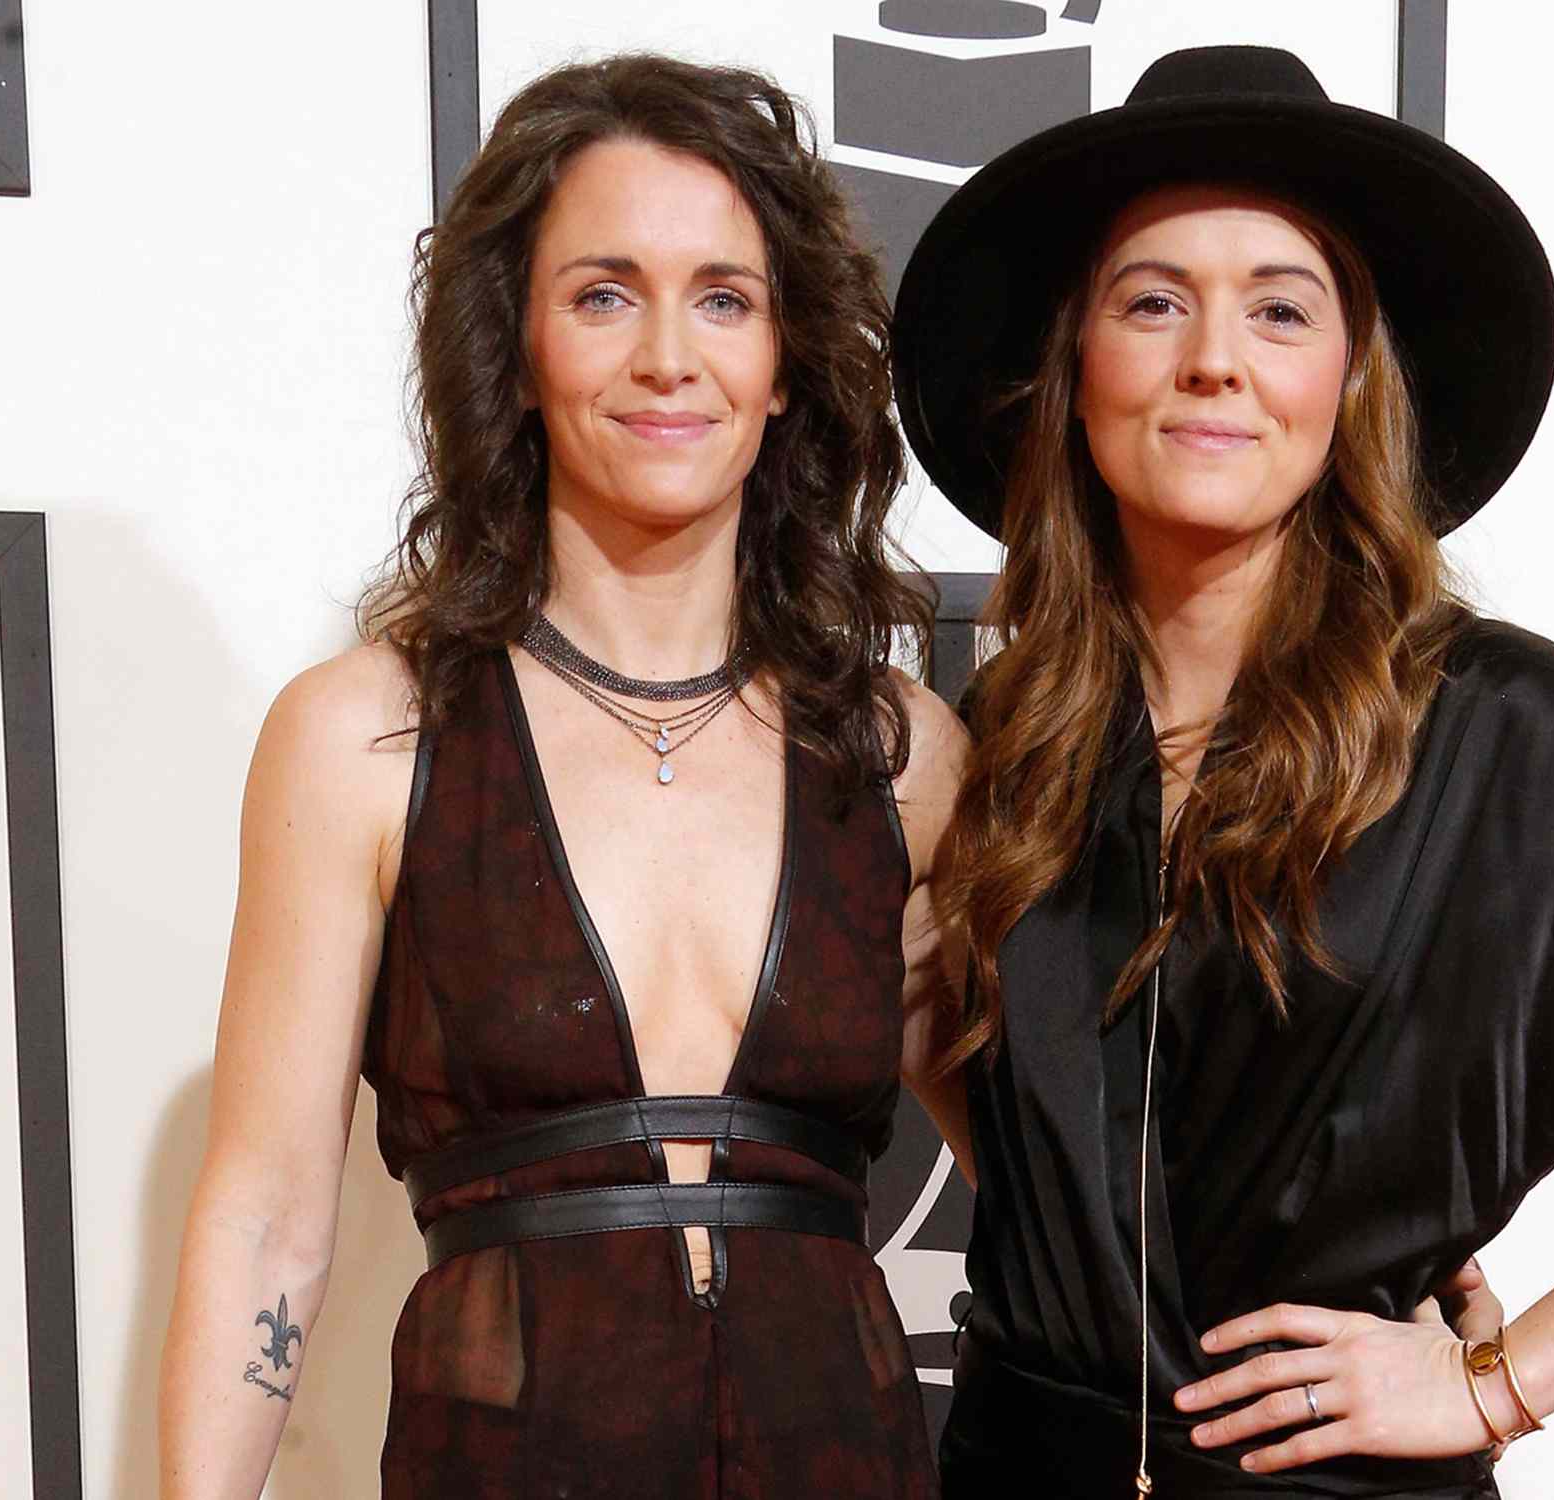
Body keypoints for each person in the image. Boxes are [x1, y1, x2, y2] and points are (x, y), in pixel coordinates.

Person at [890, 45, 1554, 1497]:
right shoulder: (1008, 730)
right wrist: (1112, 1266)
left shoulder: (1500, 725)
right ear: (1074, 374)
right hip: (1018, 1464)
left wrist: (1499, 1382)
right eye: (1153, 301)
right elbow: (989, 1075)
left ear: (1348, 382)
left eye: (1280, 309)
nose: (1214, 359)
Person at [155, 54, 974, 1498]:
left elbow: (1055, 1178)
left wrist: (1385, 1253)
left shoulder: (902, 753)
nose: (669, 356)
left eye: (724, 297)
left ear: (786, 367)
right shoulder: (365, 739)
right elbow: (270, 1215)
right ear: (517, 351)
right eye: (605, 293)